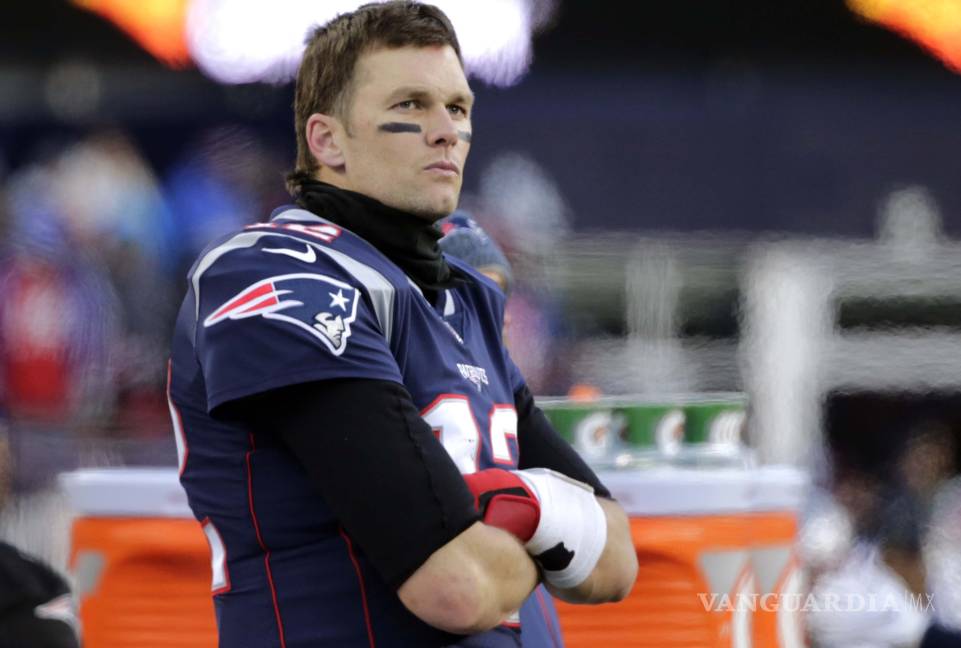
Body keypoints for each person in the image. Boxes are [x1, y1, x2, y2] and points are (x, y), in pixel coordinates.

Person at [168, 3, 638, 646]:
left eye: (458, 108)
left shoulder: (465, 294)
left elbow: (618, 559)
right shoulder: (275, 272)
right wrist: (553, 531)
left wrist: (523, 507)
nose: (446, 131)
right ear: (327, 140)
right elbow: (456, 588)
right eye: (411, 105)